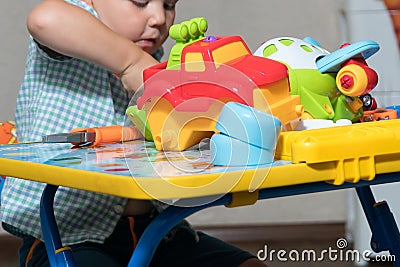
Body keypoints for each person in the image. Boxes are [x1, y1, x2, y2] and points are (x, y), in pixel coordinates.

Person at [0, 0, 267, 266]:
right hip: (66, 237)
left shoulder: (156, 58)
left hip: (156, 231)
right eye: (140, 2)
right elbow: (44, 19)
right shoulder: (73, 34)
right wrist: (132, 63)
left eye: (169, 5)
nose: (159, 18)